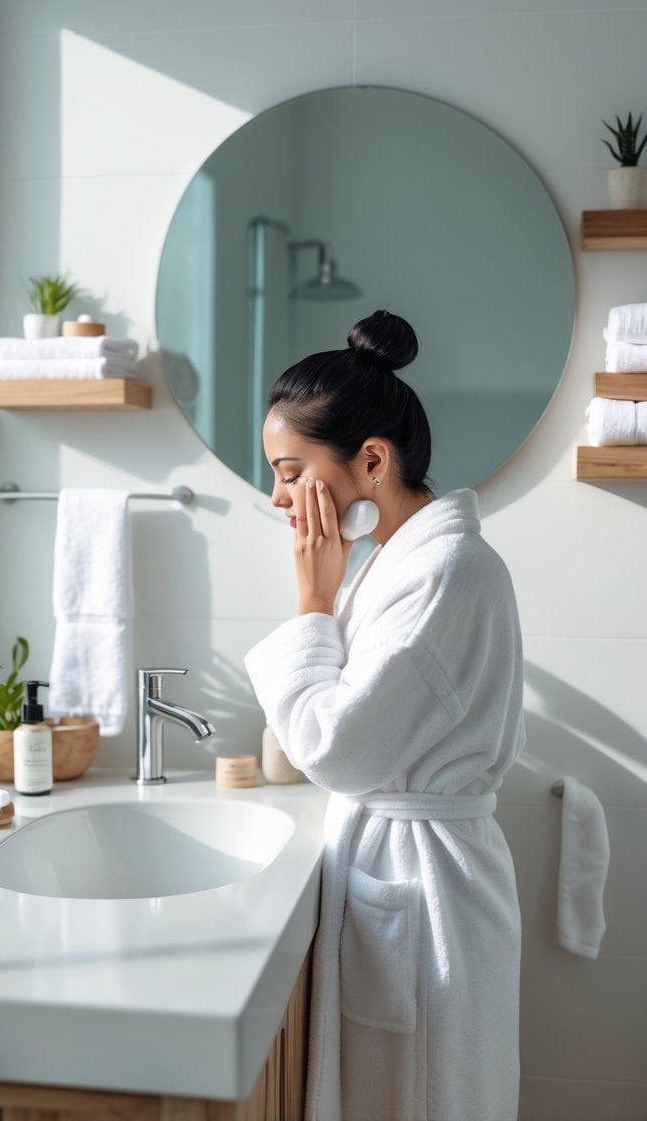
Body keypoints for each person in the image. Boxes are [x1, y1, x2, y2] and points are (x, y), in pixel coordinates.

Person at [244, 310, 525, 1121]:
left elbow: (335, 748)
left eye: (290, 470)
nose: (275, 497)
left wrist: (311, 602)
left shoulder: (446, 570)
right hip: (401, 866)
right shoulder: (405, 564)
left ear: (370, 460)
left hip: (427, 887)